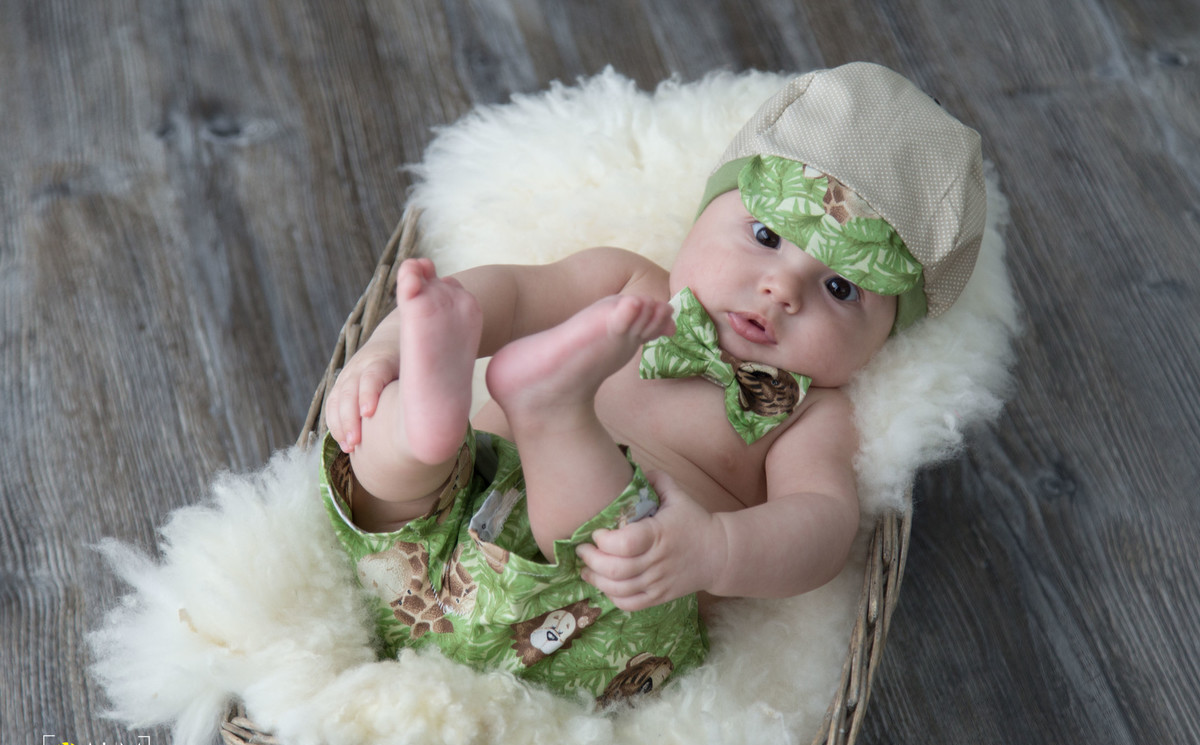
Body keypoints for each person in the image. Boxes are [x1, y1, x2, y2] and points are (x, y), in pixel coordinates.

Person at [319, 62, 986, 707]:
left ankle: (551, 411)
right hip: (426, 551)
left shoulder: (810, 414)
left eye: (841, 288)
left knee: (609, 526)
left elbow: (822, 526)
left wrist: (714, 550)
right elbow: (515, 293)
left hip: (596, 620)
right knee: (390, 466)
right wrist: (387, 350)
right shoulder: (631, 283)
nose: (782, 289)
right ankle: (424, 426)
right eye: (764, 234)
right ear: (702, 214)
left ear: (882, 339)